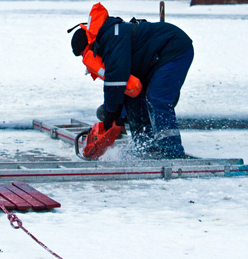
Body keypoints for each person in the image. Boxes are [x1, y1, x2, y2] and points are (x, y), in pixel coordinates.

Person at [70, 8, 194, 158]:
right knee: (135, 101)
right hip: (154, 60)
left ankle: (172, 153)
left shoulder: (113, 37)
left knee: (157, 99)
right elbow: (123, 86)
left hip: (174, 49)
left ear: (89, 45)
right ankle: (146, 147)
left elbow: (116, 80)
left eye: (85, 55)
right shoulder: (108, 41)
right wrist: (116, 117)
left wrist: (111, 116)